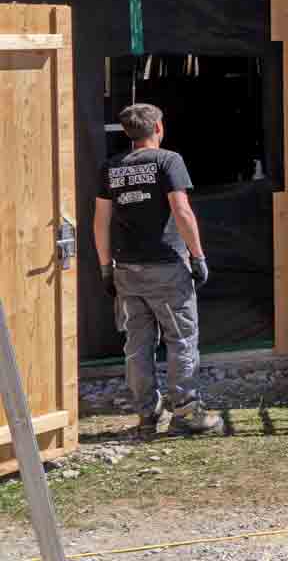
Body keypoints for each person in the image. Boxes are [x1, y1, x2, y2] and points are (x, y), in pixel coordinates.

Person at [93, 103, 216, 437]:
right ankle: (186, 412)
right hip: (166, 268)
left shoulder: (110, 167)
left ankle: (147, 414)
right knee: (181, 340)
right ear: (158, 128)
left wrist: (105, 267)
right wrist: (198, 255)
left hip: (126, 270)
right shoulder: (168, 161)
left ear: (128, 133)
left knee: (137, 345)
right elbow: (182, 211)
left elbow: (100, 221)